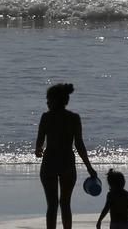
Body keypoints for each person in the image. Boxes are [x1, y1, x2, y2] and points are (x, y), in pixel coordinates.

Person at [36, 83, 98, 229]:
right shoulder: (74, 118)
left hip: (50, 163)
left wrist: (38, 150)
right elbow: (79, 145)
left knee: (52, 205)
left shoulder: (46, 117)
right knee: (65, 204)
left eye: (48, 99)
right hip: (67, 164)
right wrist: (89, 167)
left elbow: (39, 141)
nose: (47, 102)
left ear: (55, 100)